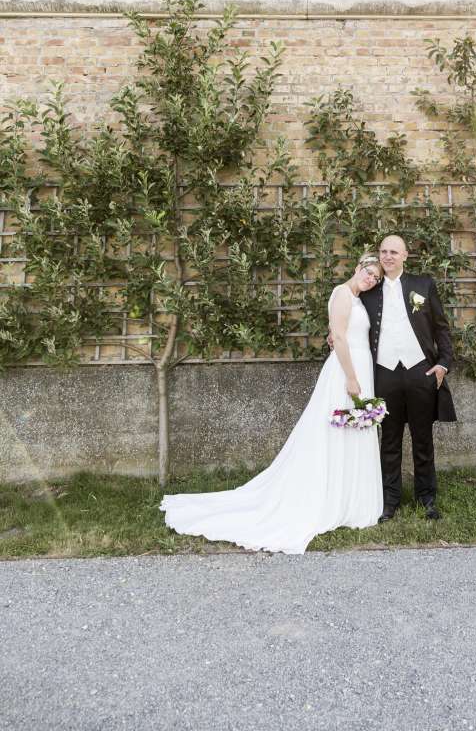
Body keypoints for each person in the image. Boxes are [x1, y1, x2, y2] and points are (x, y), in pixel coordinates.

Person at [159, 254, 384, 555]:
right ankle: (330, 496)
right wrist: (352, 378)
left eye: (376, 278)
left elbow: (342, 333)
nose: (371, 279)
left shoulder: (357, 299)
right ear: (357, 268)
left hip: (359, 368)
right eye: (369, 272)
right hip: (348, 372)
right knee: (336, 430)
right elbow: (341, 339)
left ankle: (350, 496)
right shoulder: (343, 293)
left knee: (353, 430)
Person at [359, 234, 456, 522]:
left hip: (419, 371)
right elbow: (353, 321)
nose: (387, 256)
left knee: (423, 438)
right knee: (388, 439)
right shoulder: (369, 290)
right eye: (383, 251)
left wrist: (443, 365)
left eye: (393, 251)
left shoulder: (422, 285)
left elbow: (441, 328)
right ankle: (389, 501)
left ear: (405, 255)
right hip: (384, 372)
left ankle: (427, 498)